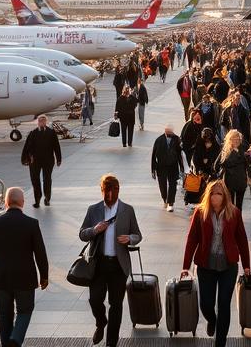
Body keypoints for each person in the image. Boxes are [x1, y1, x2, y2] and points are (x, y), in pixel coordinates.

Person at [181, 179, 251, 347]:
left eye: (219, 194)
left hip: (228, 265)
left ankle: (220, 343)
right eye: (213, 193)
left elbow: (242, 239)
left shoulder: (234, 212)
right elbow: (192, 240)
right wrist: (185, 266)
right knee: (206, 304)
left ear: (225, 196)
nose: (215, 197)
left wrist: (247, 265)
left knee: (224, 304)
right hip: (205, 265)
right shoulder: (200, 212)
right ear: (208, 195)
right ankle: (212, 320)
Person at [0, 187, 49, 347]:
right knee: (25, 311)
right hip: (25, 278)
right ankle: (15, 340)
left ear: (6, 202)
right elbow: (40, 253)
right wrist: (44, 276)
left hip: (1, 278)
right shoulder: (31, 224)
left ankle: (6, 344)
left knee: (4, 315)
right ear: (22, 203)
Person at [79, 174, 143, 347]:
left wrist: (129, 238)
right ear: (102, 191)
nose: (110, 197)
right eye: (106, 192)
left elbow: (138, 235)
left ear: (118, 190)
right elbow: (82, 234)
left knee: (116, 305)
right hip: (98, 264)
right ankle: (101, 322)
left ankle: (111, 343)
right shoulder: (93, 210)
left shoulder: (127, 210)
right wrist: (94, 230)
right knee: (95, 300)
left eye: (113, 192)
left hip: (118, 265)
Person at [20, 115, 62, 208]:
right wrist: (28, 157)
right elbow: (28, 147)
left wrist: (59, 159)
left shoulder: (51, 133)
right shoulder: (33, 133)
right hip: (35, 161)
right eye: (40, 121)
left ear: (46, 122)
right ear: (37, 122)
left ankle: (47, 198)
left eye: (43, 121)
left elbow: (56, 146)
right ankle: (37, 200)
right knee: (35, 180)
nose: (41, 123)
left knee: (47, 180)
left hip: (48, 160)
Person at [151, 123, 185, 212]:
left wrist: (182, 166)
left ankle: (171, 203)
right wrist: (153, 170)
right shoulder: (158, 140)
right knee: (162, 185)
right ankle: (165, 199)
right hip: (161, 166)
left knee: (173, 185)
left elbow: (180, 154)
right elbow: (153, 155)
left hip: (173, 166)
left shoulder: (177, 139)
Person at [214, 129, 247, 209]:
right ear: (230, 139)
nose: (236, 141)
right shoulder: (225, 150)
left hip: (241, 181)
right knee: (230, 205)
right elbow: (216, 165)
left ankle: (237, 220)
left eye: (238, 139)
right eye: (234, 138)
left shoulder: (244, 149)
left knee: (238, 206)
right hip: (229, 182)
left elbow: (246, 163)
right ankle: (231, 220)